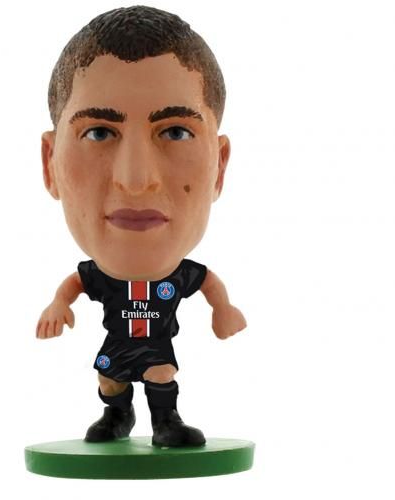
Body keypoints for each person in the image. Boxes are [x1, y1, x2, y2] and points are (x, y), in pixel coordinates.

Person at [36, 5, 247, 447]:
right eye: (98, 132)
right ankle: (118, 414)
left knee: (161, 372)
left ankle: (166, 421)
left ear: (220, 167)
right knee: (109, 378)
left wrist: (223, 309)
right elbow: (74, 285)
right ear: (50, 164)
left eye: (175, 132)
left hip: (154, 348)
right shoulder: (96, 277)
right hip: (117, 347)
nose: (135, 181)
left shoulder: (182, 276)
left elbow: (209, 285)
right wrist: (58, 304)